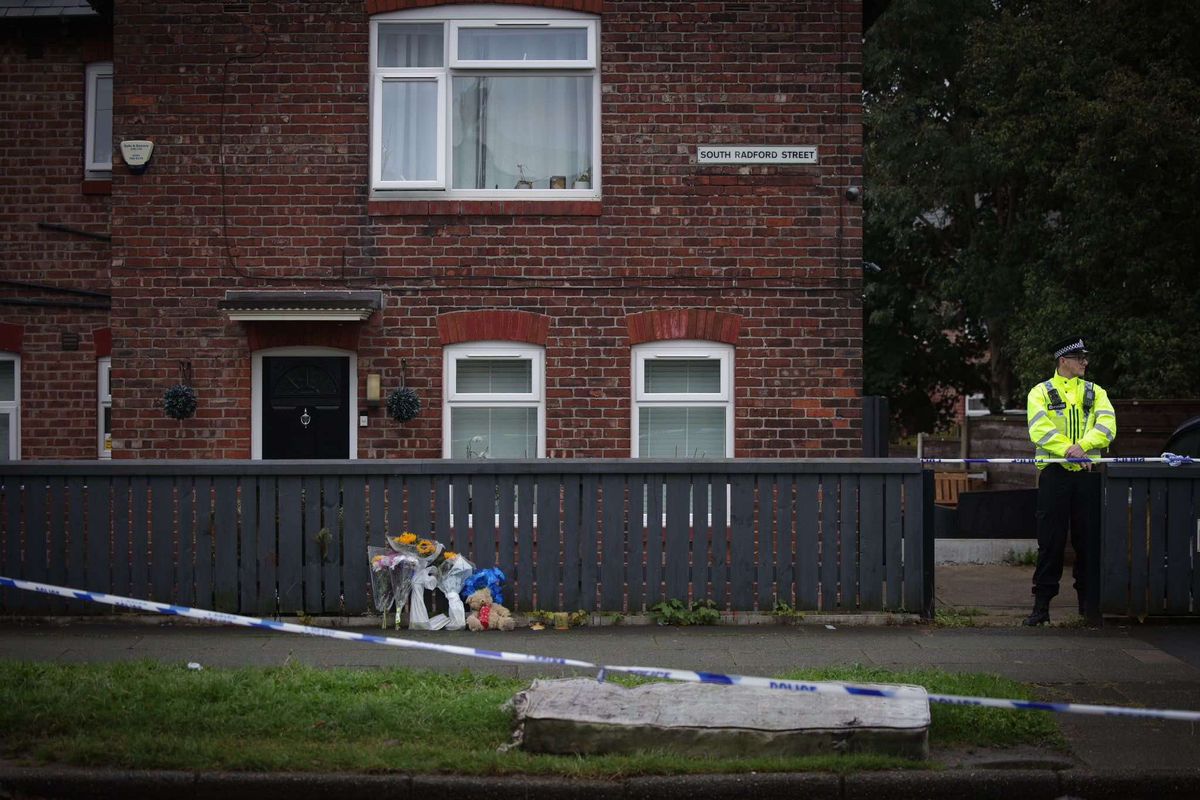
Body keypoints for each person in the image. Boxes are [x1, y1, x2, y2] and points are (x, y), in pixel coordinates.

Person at [1023, 336, 1116, 626]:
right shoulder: (1040, 392)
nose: (1085, 362)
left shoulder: (1096, 392)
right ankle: (1041, 608)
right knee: (1050, 543)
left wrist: (1082, 447)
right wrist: (1068, 450)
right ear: (1064, 361)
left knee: (1089, 542)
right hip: (1055, 475)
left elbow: (1107, 425)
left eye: (1085, 358)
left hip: (1087, 476)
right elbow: (1040, 429)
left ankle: (1088, 608)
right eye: (1080, 358)